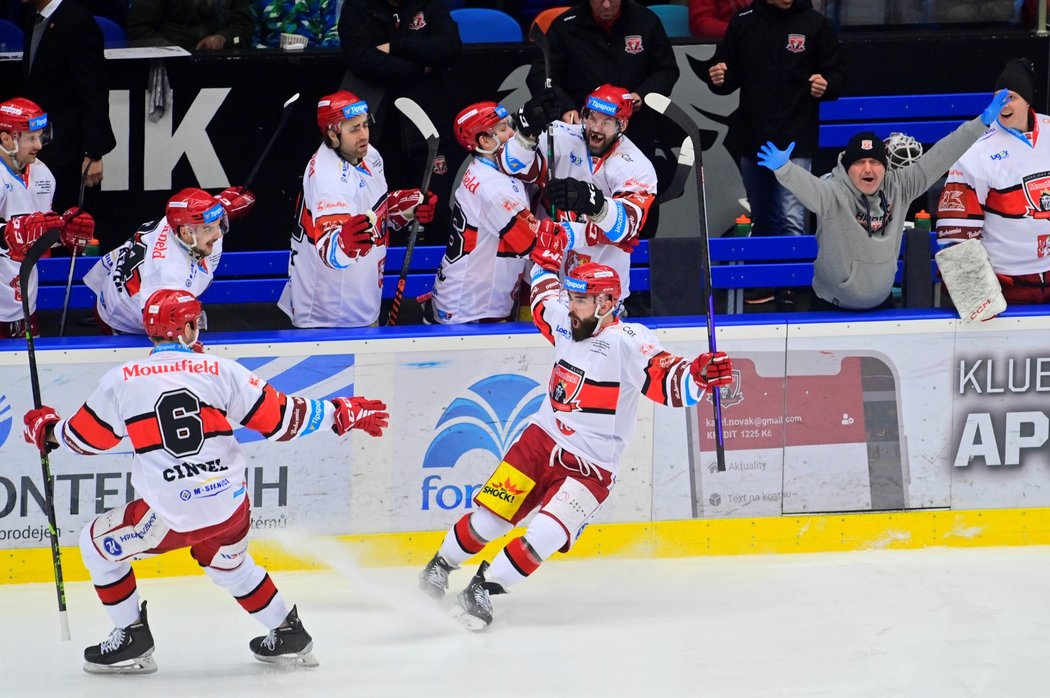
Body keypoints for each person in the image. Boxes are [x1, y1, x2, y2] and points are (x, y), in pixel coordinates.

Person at [21, 288, 389, 673]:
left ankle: (132, 637)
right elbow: (282, 419)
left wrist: (47, 430)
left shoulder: (122, 379)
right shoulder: (220, 369)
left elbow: (85, 439)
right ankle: (288, 633)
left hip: (172, 513)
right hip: (230, 506)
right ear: (189, 327)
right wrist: (337, 412)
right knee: (228, 565)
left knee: (95, 547)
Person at [418, 236, 734, 630]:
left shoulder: (628, 341)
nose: (571, 307)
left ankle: (483, 587)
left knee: (547, 534)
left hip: (593, 466)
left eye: (580, 301)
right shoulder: (568, 325)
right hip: (539, 443)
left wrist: (699, 375)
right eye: (571, 298)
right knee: (490, 520)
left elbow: (665, 377)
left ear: (605, 304)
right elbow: (542, 299)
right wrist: (544, 264)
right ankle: (440, 564)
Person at [754, 89, 1011, 311]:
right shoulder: (832, 193)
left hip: (883, 306)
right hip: (832, 307)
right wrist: (785, 169)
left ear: (884, 167)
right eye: (860, 162)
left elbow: (941, 155)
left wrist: (980, 124)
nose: (868, 169)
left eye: (875, 162)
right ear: (846, 167)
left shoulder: (900, 187)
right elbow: (810, 189)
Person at [278, 91, 437, 328]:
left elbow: (373, 210)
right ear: (333, 134)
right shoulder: (329, 181)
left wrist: (403, 207)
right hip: (330, 317)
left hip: (361, 301)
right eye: (354, 129)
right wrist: (343, 242)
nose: (364, 135)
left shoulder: (368, 155)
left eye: (365, 125)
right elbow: (330, 252)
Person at [527, 0, 679, 237]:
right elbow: (540, 76)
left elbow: (667, 69)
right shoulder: (565, 26)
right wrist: (566, 108)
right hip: (580, 134)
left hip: (637, 131)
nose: (607, 4)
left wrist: (643, 94)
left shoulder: (646, 21)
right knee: (572, 203)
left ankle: (639, 262)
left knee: (639, 205)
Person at [496, 84, 658, 306]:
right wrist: (525, 135)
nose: (596, 127)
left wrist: (595, 204)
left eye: (606, 121)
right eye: (592, 117)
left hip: (599, 287)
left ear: (623, 124)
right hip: (543, 276)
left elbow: (627, 226)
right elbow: (512, 166)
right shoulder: (559, 135)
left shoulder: (636, 165)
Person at [706, 0, 845, 238]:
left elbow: (836, 74)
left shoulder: (817, 24)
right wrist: (718, 77)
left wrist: (827, 85)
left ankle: (797, 276)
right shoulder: (743, 21)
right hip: (754, 140)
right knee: (762, 220)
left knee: (793, 221)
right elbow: (725, 73)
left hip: (796, 139)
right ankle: (766, 276)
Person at [336, 0, 461, 241]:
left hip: (428, 124)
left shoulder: (431, 4)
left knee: (433, 211)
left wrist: (394, 47)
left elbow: (449, 48)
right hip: (379, 130)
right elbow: (359, 59)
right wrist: (418, 68)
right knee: (379, 213)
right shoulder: (357, 6)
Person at [428, 100, 561, 324]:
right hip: (470, 310)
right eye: (502, 129)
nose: (511, 133)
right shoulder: (491, 187)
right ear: (485, 141)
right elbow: (533, 243)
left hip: (477, 300)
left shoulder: (496, 171)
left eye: (509, 125)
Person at [936, 59, 1050, 306]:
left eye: (1011, 97)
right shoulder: (975, 150)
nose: (1003, 105)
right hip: (1006, 289)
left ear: (1028, 100)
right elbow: (957, 238)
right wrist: (978, 303)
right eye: (997, 97)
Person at [83, 186, 256, 334]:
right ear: (186, 233)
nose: (219, 233)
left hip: (125, 287)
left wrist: (225, 208)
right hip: (123, 321)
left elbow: (206, 214)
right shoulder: (168, 276)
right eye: (210, 229)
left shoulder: (178, 220)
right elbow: (164, 335)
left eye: (219, 224)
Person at [0, 97, 94, 338]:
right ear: (6, 137)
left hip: (23, 305)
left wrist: (62, 234)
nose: (39, 145)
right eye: (31, 137)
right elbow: (17, 235)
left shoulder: (43, 175)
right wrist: (9, 234)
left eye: (40, 136)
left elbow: (34, 237)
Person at [19, 0, 116, 217]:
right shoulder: (30, 17)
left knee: (69, 223)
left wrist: (93, 154)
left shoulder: (77, 22)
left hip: (69, 151)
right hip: (40, 143)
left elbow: (94, 91)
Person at [126, 0, 255, 51]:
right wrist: (171, 51)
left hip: (220, 64)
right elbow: (138, 29)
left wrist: (224, 39)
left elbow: (244, 28)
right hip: (166, 68)